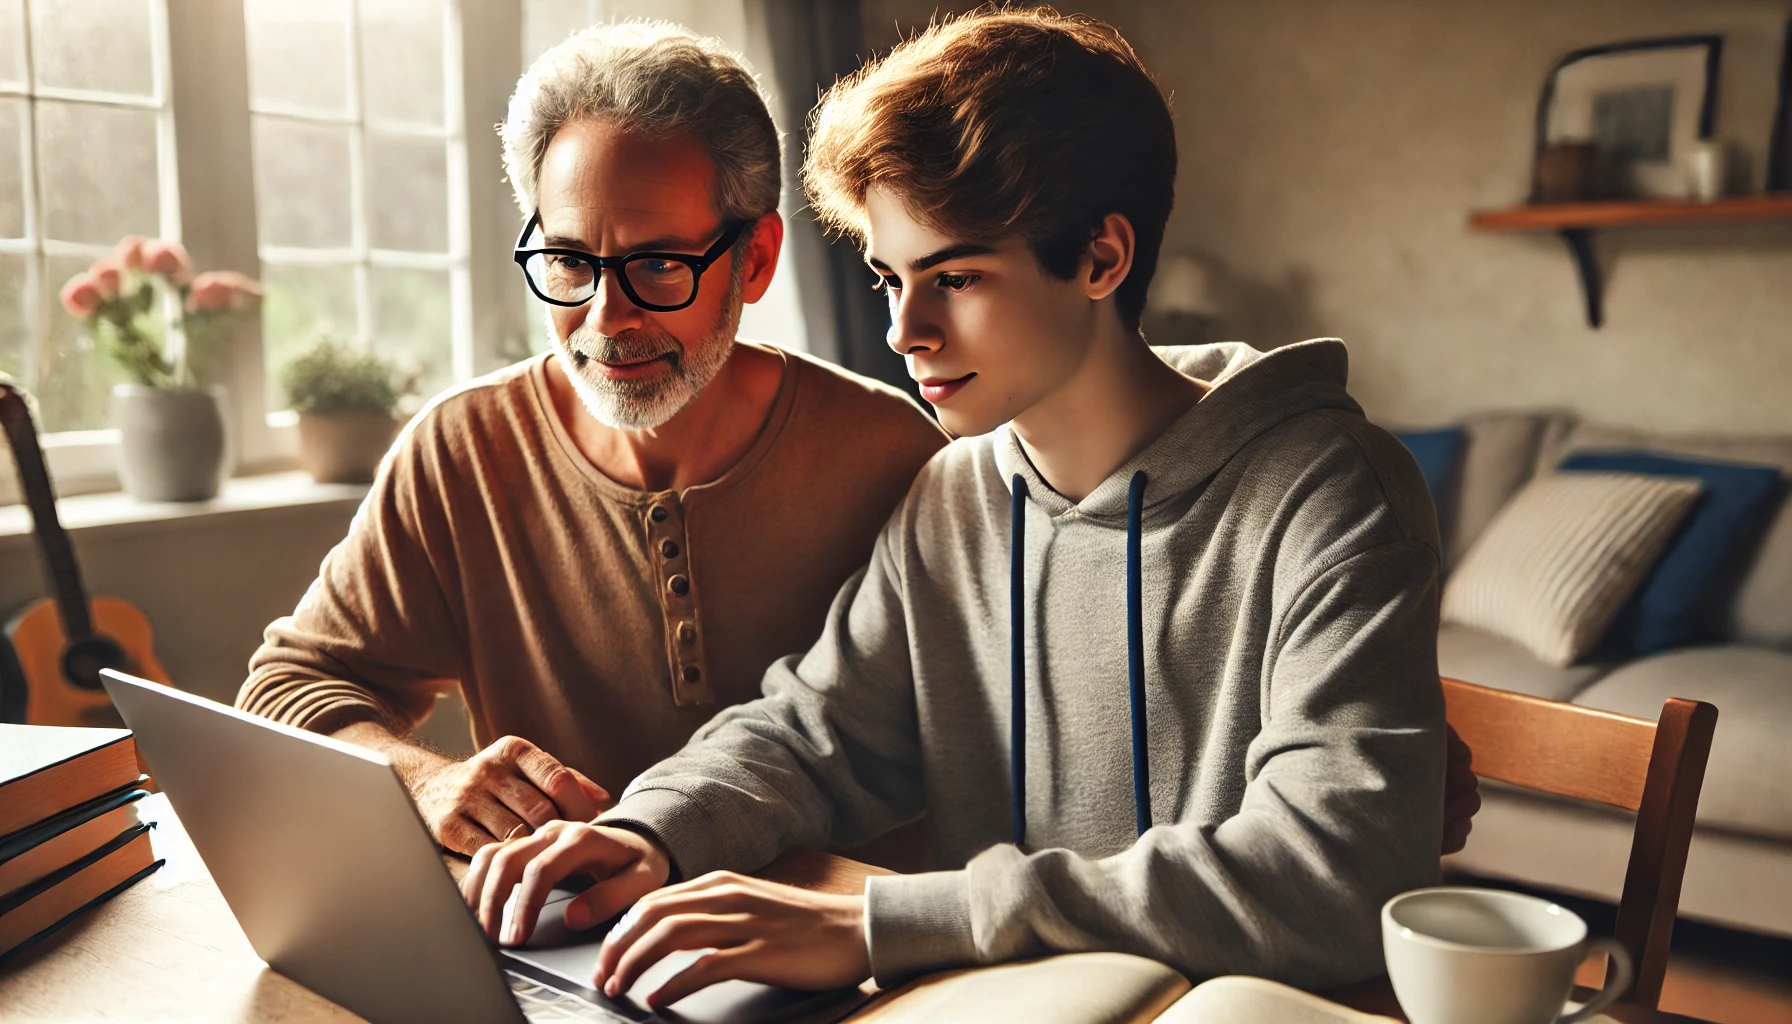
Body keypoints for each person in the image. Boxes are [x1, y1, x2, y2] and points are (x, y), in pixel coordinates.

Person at [463, 8, 1466, 1008]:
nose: (905, 331)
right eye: (888, 277)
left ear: (1100, 259)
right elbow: (818, 732)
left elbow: (1330, 873)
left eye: (956, 278)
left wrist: (880, 924)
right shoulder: (954, 495)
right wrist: (648, 833)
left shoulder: (1329, 493)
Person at [234, 21, 947, 856]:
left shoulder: (894, 456)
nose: (607, 319)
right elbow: (288, 685)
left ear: (755, 260)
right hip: (567, 937)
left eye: (657, 265)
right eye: (570, 261)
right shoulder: (462, 451)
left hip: (839, 944)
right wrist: (424, 779)